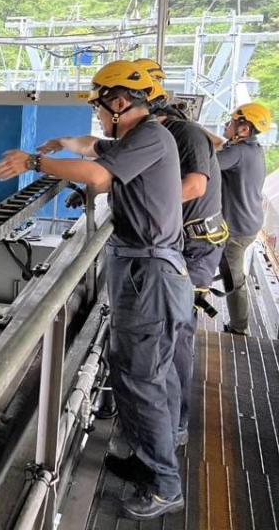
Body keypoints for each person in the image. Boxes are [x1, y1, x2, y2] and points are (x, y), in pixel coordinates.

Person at [0, 60, 192, 520]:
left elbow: (99, 175)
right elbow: (95, 151)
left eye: (101, 105)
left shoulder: (150, 137)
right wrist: (63, 145)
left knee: (144, 378)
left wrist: (36, 162)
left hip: (150, 276)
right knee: (133, 373)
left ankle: (164, 484)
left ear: (120, 102)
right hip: (142, 271)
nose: (98, 114)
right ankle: (147, 462)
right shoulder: (137, 139)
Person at [134, 60, 227, 450]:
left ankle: (175, 428)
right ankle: (162, 428)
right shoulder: (166, 134)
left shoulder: (183, 134)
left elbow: (191, 188)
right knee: (167, 335)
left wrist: (130, 199)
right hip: (181, 243)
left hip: (195, 247)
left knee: (176, 336)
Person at [215, 102, 270, 335]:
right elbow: (222, 147)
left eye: (232, 122)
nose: (227, 125)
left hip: (236, 229)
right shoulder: (253, 149)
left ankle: (239, 328)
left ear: (244, 129)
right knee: (230, 270)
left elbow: (206, 164)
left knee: (233, 278)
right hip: (249, 222)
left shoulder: (236, 153)